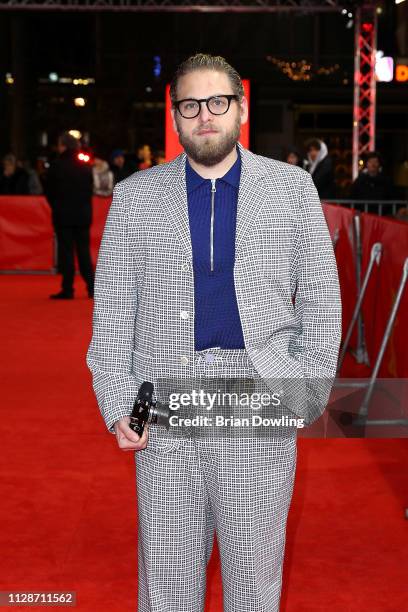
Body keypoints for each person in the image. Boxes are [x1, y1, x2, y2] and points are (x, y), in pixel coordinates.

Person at [86, 53, 341, 612]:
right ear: (175, 116)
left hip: (258, 396)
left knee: (253, 581)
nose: (206, 116)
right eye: (190, 105)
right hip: (166, 397)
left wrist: (303, 395)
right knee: (168, 579)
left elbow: (322, 301)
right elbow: (110, 319)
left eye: (218, 102)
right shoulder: (134, 198)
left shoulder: (291, 190)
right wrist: (117, 405)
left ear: (240, 109)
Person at [45, 132, 95, 299]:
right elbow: (89, 189)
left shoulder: (56, 166)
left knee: (66, 253)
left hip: (63, 214)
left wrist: (57, 205)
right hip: (82, 215)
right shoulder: (85, 166)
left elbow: (49, 191)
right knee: (84, 252)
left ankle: (68, 289)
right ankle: (92, 288)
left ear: (63, 146)